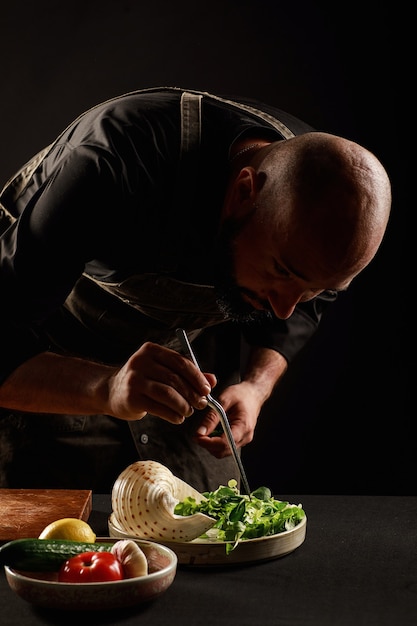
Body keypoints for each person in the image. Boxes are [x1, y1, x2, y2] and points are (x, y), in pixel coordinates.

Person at [0, 87, 391, 493]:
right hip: (49, 351)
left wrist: (256, 386)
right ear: (243, 193)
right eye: (280, 271)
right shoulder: (114, 165)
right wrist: (107, 388)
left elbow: (313, 291)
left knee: (210, 535)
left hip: (185, 367)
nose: (283, 309)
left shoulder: (325, 204)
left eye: (310, 289)